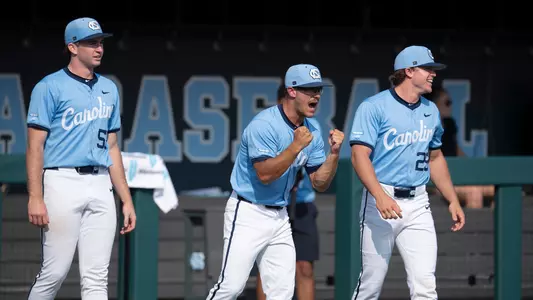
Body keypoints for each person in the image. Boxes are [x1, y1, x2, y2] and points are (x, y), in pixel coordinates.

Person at [205, 64, 344, 300]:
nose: (316, 95)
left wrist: (333, 154)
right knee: (231, 287)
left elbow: (319, 183)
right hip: (248, 211)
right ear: (292, 91)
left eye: (318, 89)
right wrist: (295, 146)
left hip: (279, 216)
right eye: (309, 90)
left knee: (281, 291)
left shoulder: (312, 130)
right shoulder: (265, 124)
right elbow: (265, 174)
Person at [25, 17, 137, 300]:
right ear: (72, 47)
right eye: (91, 43)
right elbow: (35, 147)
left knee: (97, 279)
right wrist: (35, 196)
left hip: (100, 182)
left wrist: (126, 198)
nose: (98, 48)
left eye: (100, 42)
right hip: (62, 180)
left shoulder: (109, 88)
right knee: (54, 272)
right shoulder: (49, 86)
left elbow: (112, 147)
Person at [349, 45, 466, 299]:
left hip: (418, 203)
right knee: (370, 284)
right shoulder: (374, 107)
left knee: (425, 286)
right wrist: (379, 196)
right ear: (409, 71)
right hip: (381, 201)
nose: (433, 74)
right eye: (428, 69)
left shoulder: (430, 110)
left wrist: (453, 199)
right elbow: (359, 156)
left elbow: (435, 157)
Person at [255, 84, 322, 300]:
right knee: (268, 270)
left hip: (301, 204)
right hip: (270, 206)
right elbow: (264, 169)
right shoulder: (267, 126)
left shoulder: (312, 128)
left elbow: (317, 172)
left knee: (304, 267)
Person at [427, 86, 495, 208]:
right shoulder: (424, 128)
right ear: (434, 104)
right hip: (436, 181)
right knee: (473, 192)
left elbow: (459, 153)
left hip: (456, 177)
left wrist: (476, 172)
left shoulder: (449, 125)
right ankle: (474, 227)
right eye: (447, 103)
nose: (451, 106)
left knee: (496, 189)